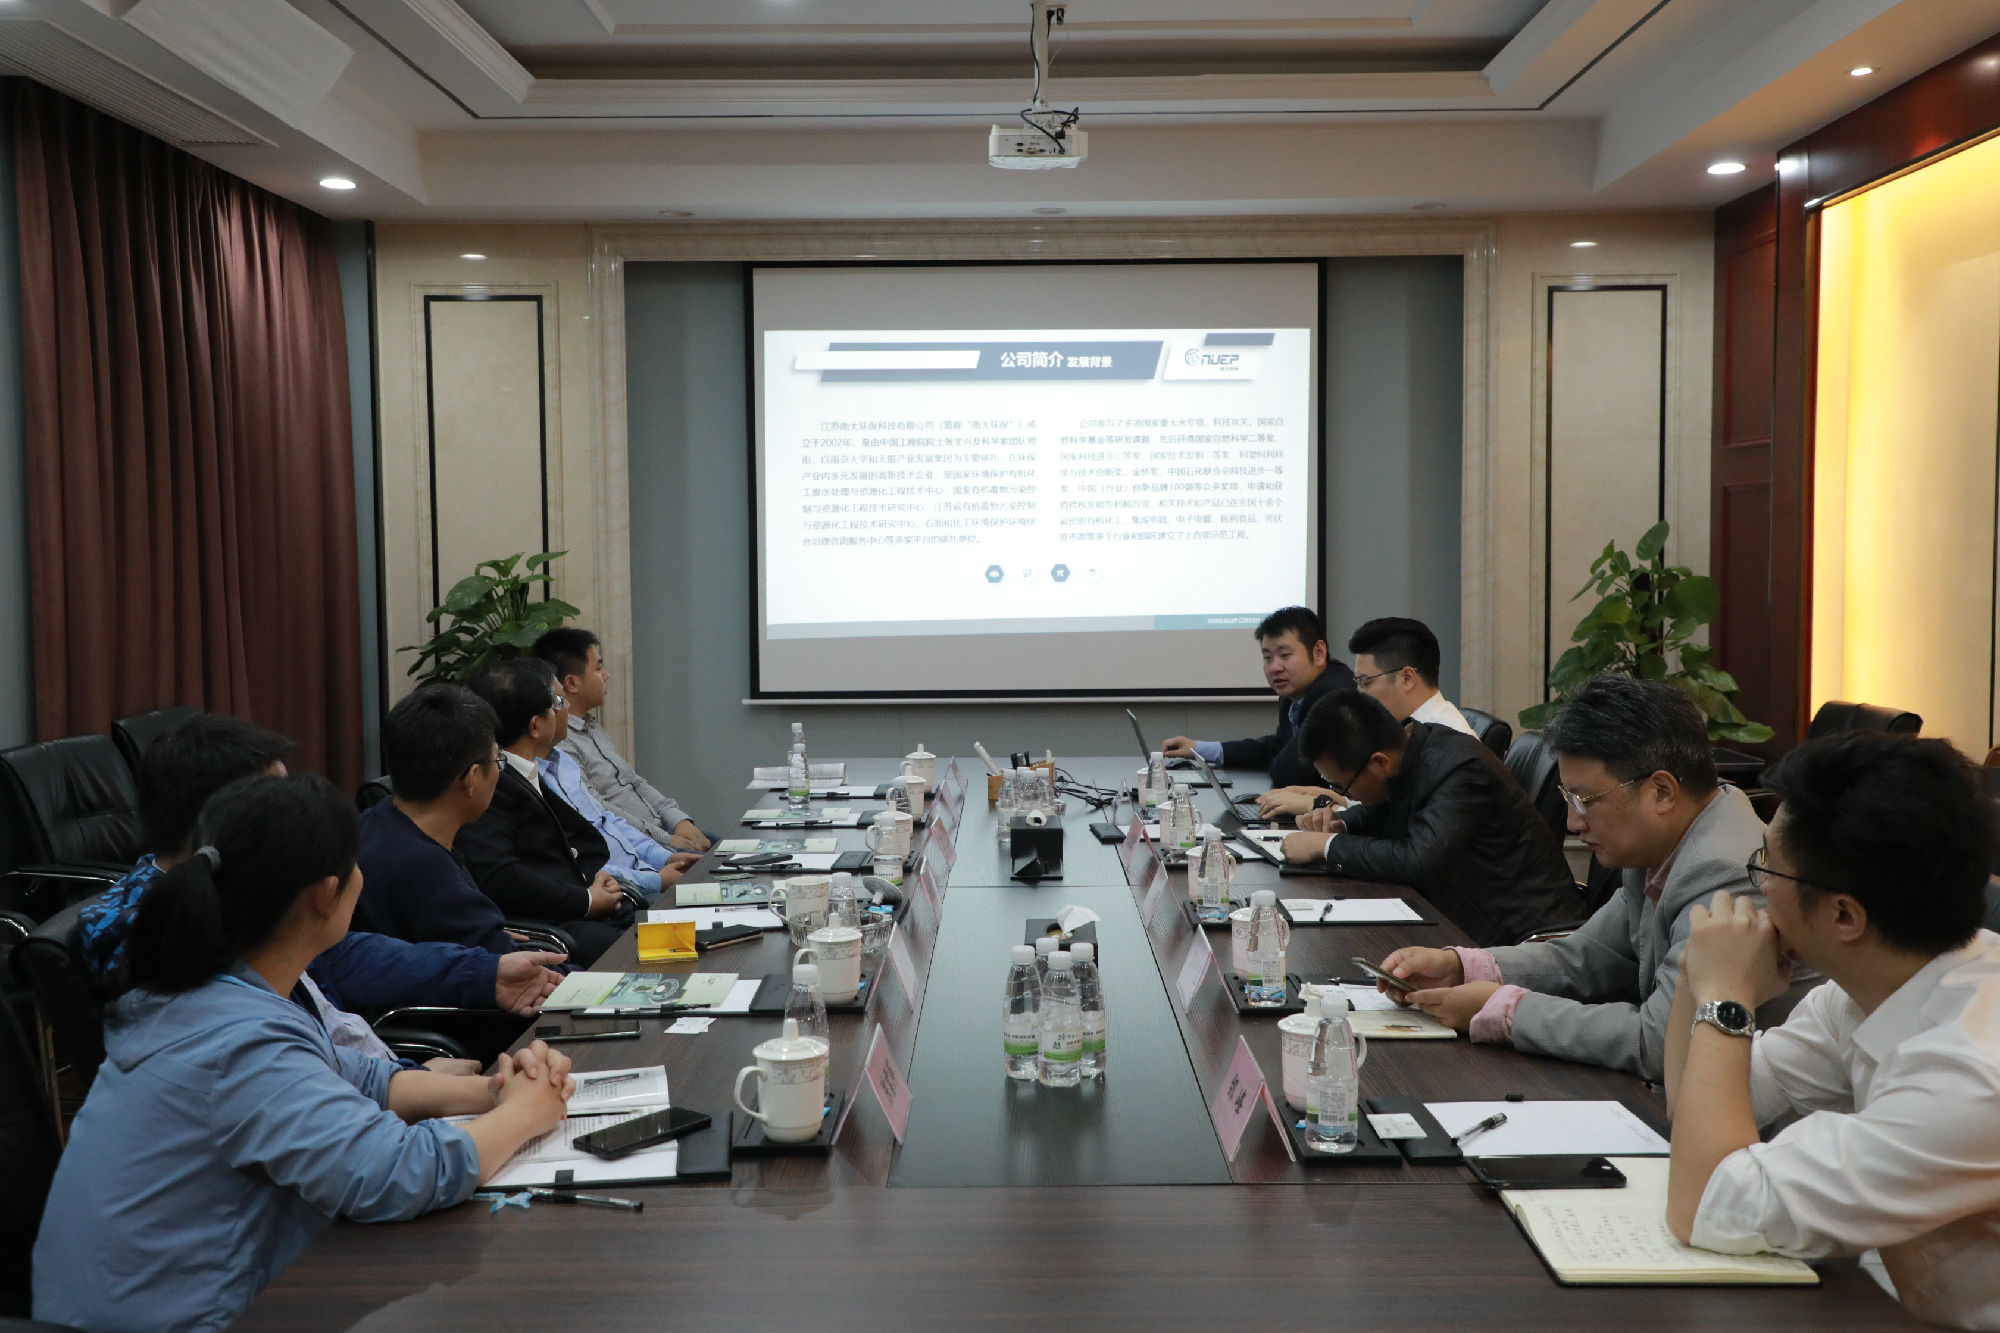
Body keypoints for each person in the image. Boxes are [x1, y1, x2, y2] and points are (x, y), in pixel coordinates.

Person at [33, 773, 574, 1333]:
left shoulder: (217, 993)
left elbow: (365, 1079)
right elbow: (397, 1173)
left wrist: (494, 1090)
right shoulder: (238, 1041)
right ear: (326, 893)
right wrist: (523, 1114)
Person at [1664, 732, 2000, 1330]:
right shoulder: (1865, 990)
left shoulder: (1971, 1076)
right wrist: (1701, 973)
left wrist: (1725, 996)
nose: (1757, 888)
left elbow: (1706, 1204)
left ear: (1843, 914)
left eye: (1766, 866)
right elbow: (1690, 1117)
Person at [79, 714, 564, 1063]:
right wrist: (407, 1088)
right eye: (278, 806)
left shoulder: (233, 895)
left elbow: (342, 958)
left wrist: (484, 973)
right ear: (226, 821)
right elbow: (293, 1082)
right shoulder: (166, 946)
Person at [1371, 673, 1774, 1081]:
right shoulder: (1665, 840)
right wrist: (1460, 967)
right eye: (1569, 798)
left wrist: (1505, 1010)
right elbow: (1587, 956)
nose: (1572, 823)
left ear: (1662, 792)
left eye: (1584, 800)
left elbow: (1659, 1041)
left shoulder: (1725, 873)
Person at [1277, 691, 1582, 947]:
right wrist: (1341, 823)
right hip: (1467, 916)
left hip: (1520, 937)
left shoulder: (1459, 768)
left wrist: (1326, 846)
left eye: (1342, 787)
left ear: (1379, 763)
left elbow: (1418, 861)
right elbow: (1387, 809)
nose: (1341, 793)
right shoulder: (1414, 750)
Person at [357, 684, 582, 967]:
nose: (499, 772)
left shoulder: (371, 822)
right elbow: (525, 976)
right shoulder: (433, 876)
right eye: (498, 760)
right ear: (472, 778)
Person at [459, 657, 633, 965]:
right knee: (634, 951)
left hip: (575, 907)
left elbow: (576, 844)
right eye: (557, 702)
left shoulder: (530, 770)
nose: (565, 708)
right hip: (547, 925)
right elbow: (500, 876)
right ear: (535, 725)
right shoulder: (491, 784)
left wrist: (595, 880)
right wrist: (586, 899)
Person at [1258, 615, 1473, 819]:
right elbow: (1395, 811)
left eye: (1365, 682)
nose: (1359, 694)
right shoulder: (1409, 729)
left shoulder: (1449, 744)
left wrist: (1323, 807)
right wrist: (1337, 798)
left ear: (1407, 678)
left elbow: (1410, 833)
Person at [536, 626, 710, 852]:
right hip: (641, 845)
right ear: (571, 683)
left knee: (729, 849)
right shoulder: (561, 742)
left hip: (662, 832)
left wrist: (680, 821)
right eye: (598, 668)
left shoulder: (592, 727)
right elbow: (598, 808)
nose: (606, 674)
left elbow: (635, 782)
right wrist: (665, 839)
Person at [1161, 606, 1357, 788]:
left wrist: (1278, 759)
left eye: (1285, 655)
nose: (1275, 667)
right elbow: (1277, 746)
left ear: (1319, 653)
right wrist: (1197, 749)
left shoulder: (1333, 696)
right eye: (1268, 658)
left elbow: (1288, 772)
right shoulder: (1296, 692)